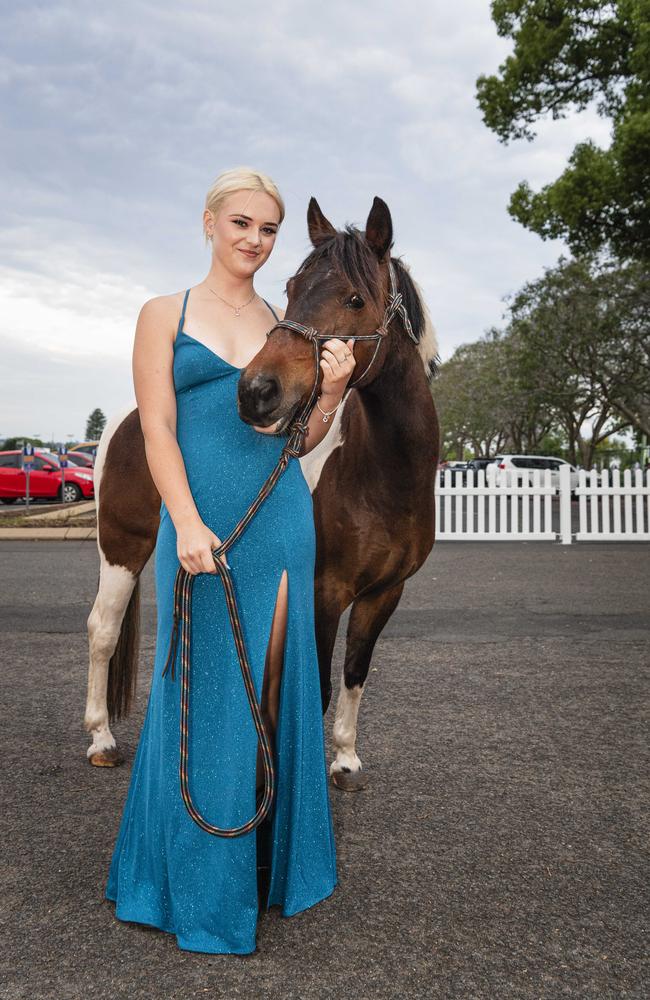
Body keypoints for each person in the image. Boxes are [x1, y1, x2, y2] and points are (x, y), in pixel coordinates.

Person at [105, 166, 356, 954]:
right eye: (242, 222)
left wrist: (334, 395)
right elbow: (157, 432)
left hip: (278, 521)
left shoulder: (289, 323)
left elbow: (294, 442)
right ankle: (194, 881)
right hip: (199, 526)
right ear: (210, 221)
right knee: (204, 688)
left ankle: (263, 864)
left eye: (268, 228)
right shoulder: (162, 314)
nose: (254, 238)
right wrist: (181, 520)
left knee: (272, 690)